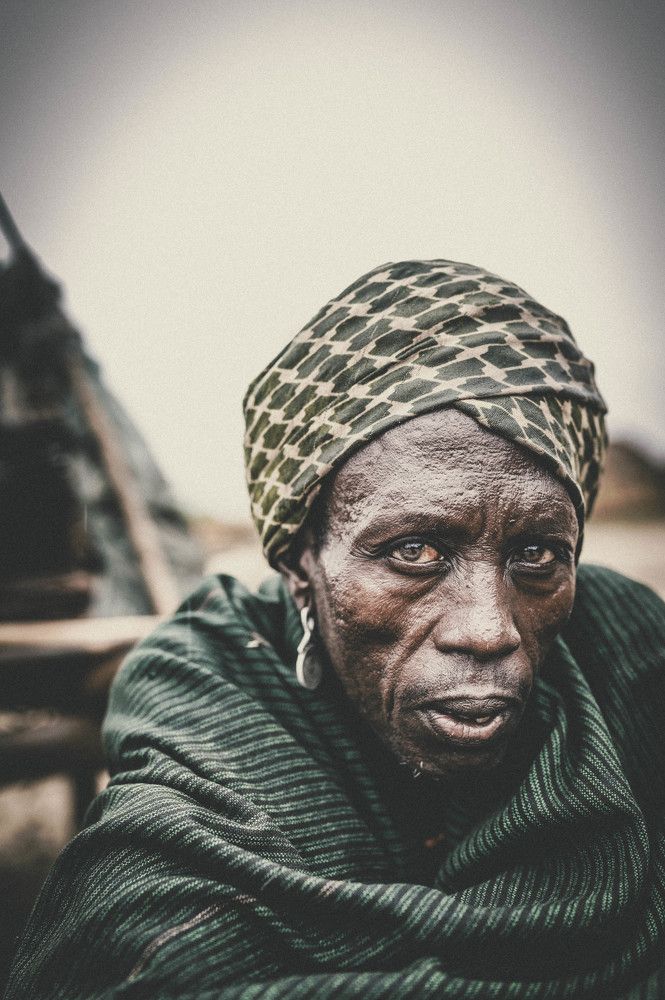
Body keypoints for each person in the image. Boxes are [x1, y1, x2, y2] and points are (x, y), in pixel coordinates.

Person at [7, 260, 665, 998]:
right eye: (414, 552)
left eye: (536, 554)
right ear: (300, 565)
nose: (488, 630)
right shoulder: (206, 687)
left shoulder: (628, 650)